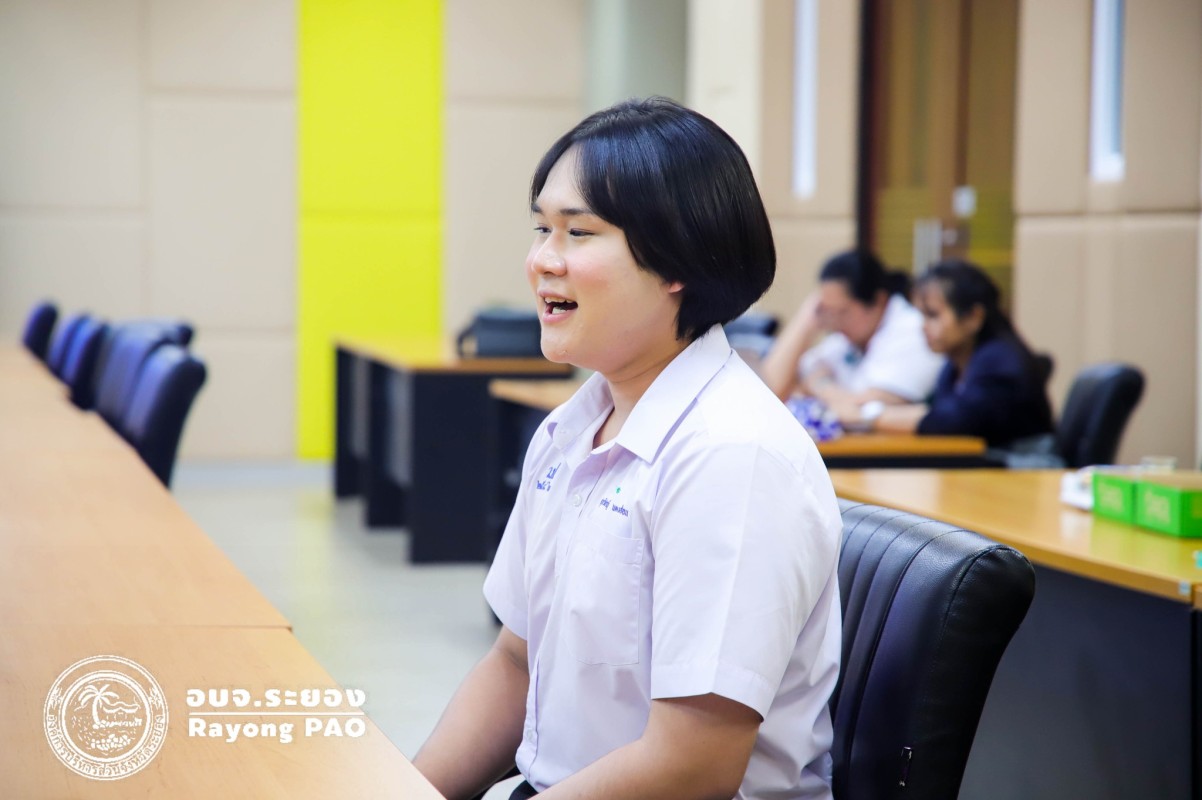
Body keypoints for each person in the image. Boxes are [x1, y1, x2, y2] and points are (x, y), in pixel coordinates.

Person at [413, 98, 843, 800]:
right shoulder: (569, 430)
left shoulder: (731, 456)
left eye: (578, 232)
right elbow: (515, 664)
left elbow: (694, 764)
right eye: (542, 229)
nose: (542, 261)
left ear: (677, 261)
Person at [833, 259, 1055, 450]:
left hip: (1025, 469)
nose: (923, 326)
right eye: (922, 315)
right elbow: (939, 414)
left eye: (933, 315)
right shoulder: (955, 363)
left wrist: (866, 417)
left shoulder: (999, 361)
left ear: (974, 317)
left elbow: (953, 422)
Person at [760, 249, 944, 407]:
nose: (833, 322)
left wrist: (819, 384)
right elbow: (770, 389)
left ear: (878, 301)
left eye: (842, 312)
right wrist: (807, 319)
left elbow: (861, 409)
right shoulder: (847, 338)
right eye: (828, 312)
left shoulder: (914, 331)